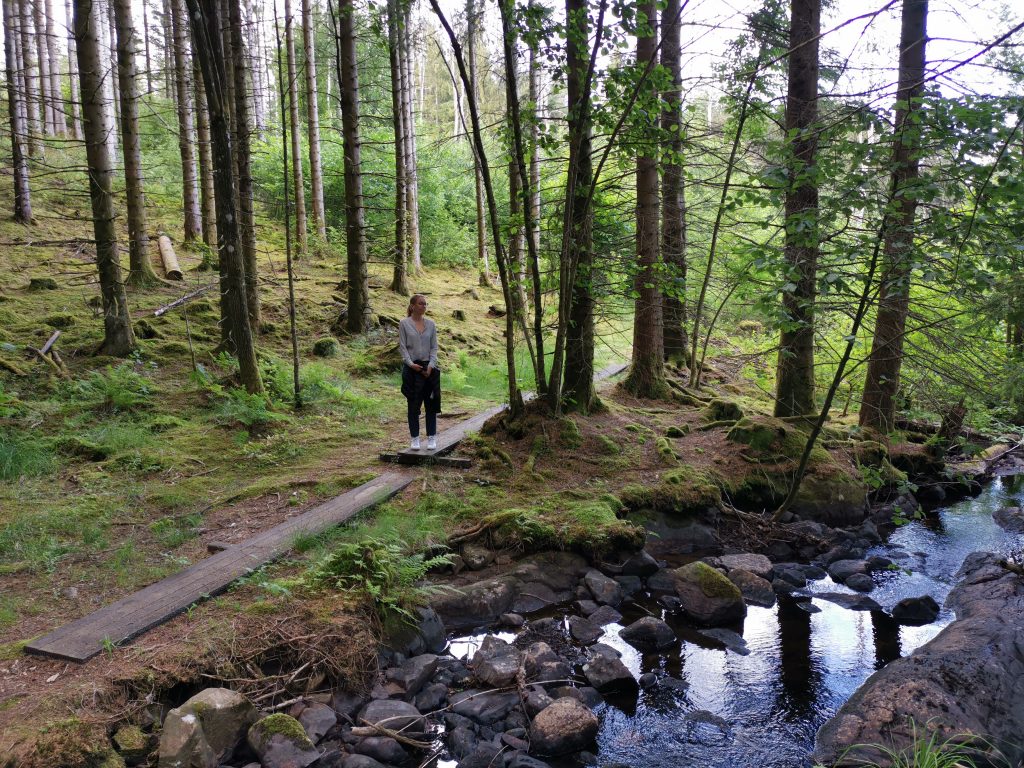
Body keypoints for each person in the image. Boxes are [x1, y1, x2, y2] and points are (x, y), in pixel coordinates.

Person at [398, 294, 441, 450]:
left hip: (429, 368)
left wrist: (431, 365)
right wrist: (410, 364)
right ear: (413, 306)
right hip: (412, 369)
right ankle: (415, 438)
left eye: (425, 304)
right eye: (421, 303)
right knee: (413, 404)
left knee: (431, 403)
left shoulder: (431, 324)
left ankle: (431, 437)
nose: (424, 306)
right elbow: (403, 348)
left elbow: (434, 347)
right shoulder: (404, 323)